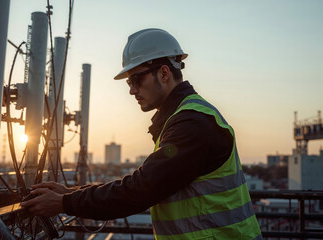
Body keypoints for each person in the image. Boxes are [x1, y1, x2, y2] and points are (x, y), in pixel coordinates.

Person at [21, 28, 262, 239]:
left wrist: (64, 203)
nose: (132, 90)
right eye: (128, 82)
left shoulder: (192, 124)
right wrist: (72, 193)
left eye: (136, 79)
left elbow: (141, 189)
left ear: (164, 73)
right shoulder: (183, 118)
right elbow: (145, 181)